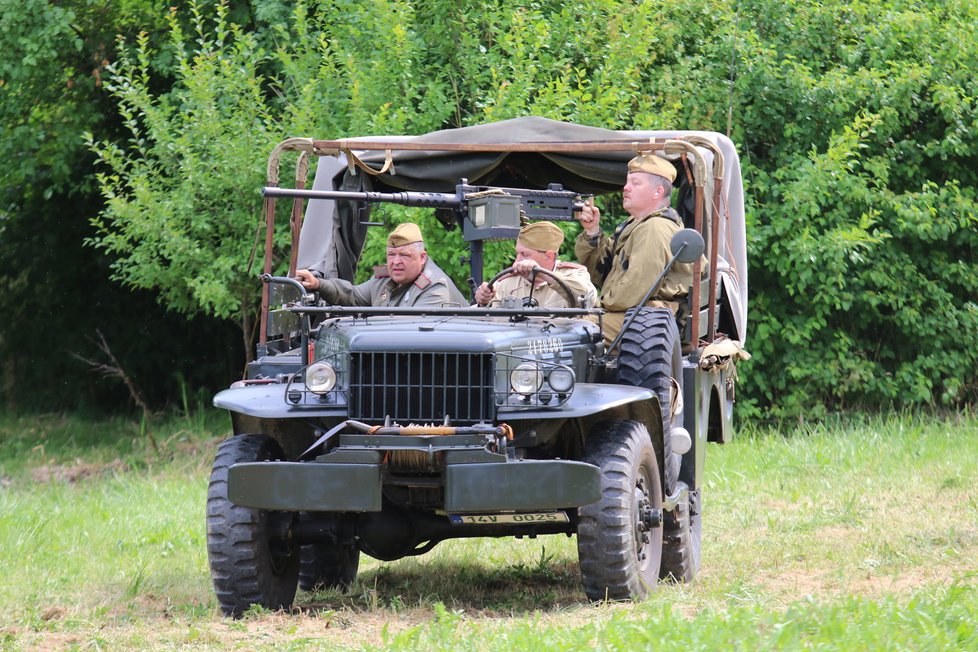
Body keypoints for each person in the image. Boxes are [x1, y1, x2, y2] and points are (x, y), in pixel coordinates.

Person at [574, 153, 701, 343]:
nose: (626, 188)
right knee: (571, 326)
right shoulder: (636, 224)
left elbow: (635, 289)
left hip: (652, 323)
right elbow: (603, 273)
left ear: (657, 192)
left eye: (635, 183)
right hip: (639, 316)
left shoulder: (654, 228)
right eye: (627, 182)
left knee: (574, 332)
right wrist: (592, 231)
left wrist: (595, 307)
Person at [295, 222, 465, 307]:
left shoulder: (435, 287)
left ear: (422, 257)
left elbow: (414, 336)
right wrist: (318, 284)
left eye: (404, 255)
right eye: (391, 255)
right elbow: (353, 295)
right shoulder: (386, 280)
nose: (396, 262)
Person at [474, 221, 598, 309]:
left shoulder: (573, 275)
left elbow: (587, 297)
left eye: (525, 254)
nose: (516, 262)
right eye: (517, 254)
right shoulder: (509, 282)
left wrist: (542, 274)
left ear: (549, 256)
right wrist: (484, 300)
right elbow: (487, 319)